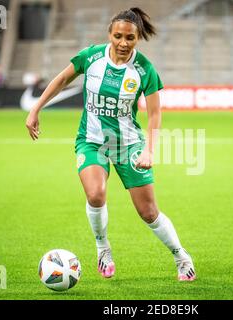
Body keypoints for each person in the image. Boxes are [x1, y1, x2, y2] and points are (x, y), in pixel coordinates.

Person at [25, 7, 196, 281]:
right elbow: (61, 79)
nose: (123, 43)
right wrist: (36, 108)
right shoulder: (91, 57)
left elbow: (154, 113)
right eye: (118, 36)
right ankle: (103, 248)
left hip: (128, 145)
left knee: (149, 212)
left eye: (130, 37)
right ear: (109, 34)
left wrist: (150, 150)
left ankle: (180, 255)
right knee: (95, 194)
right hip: (91, 141)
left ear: (138, 38)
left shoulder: (144, 69)